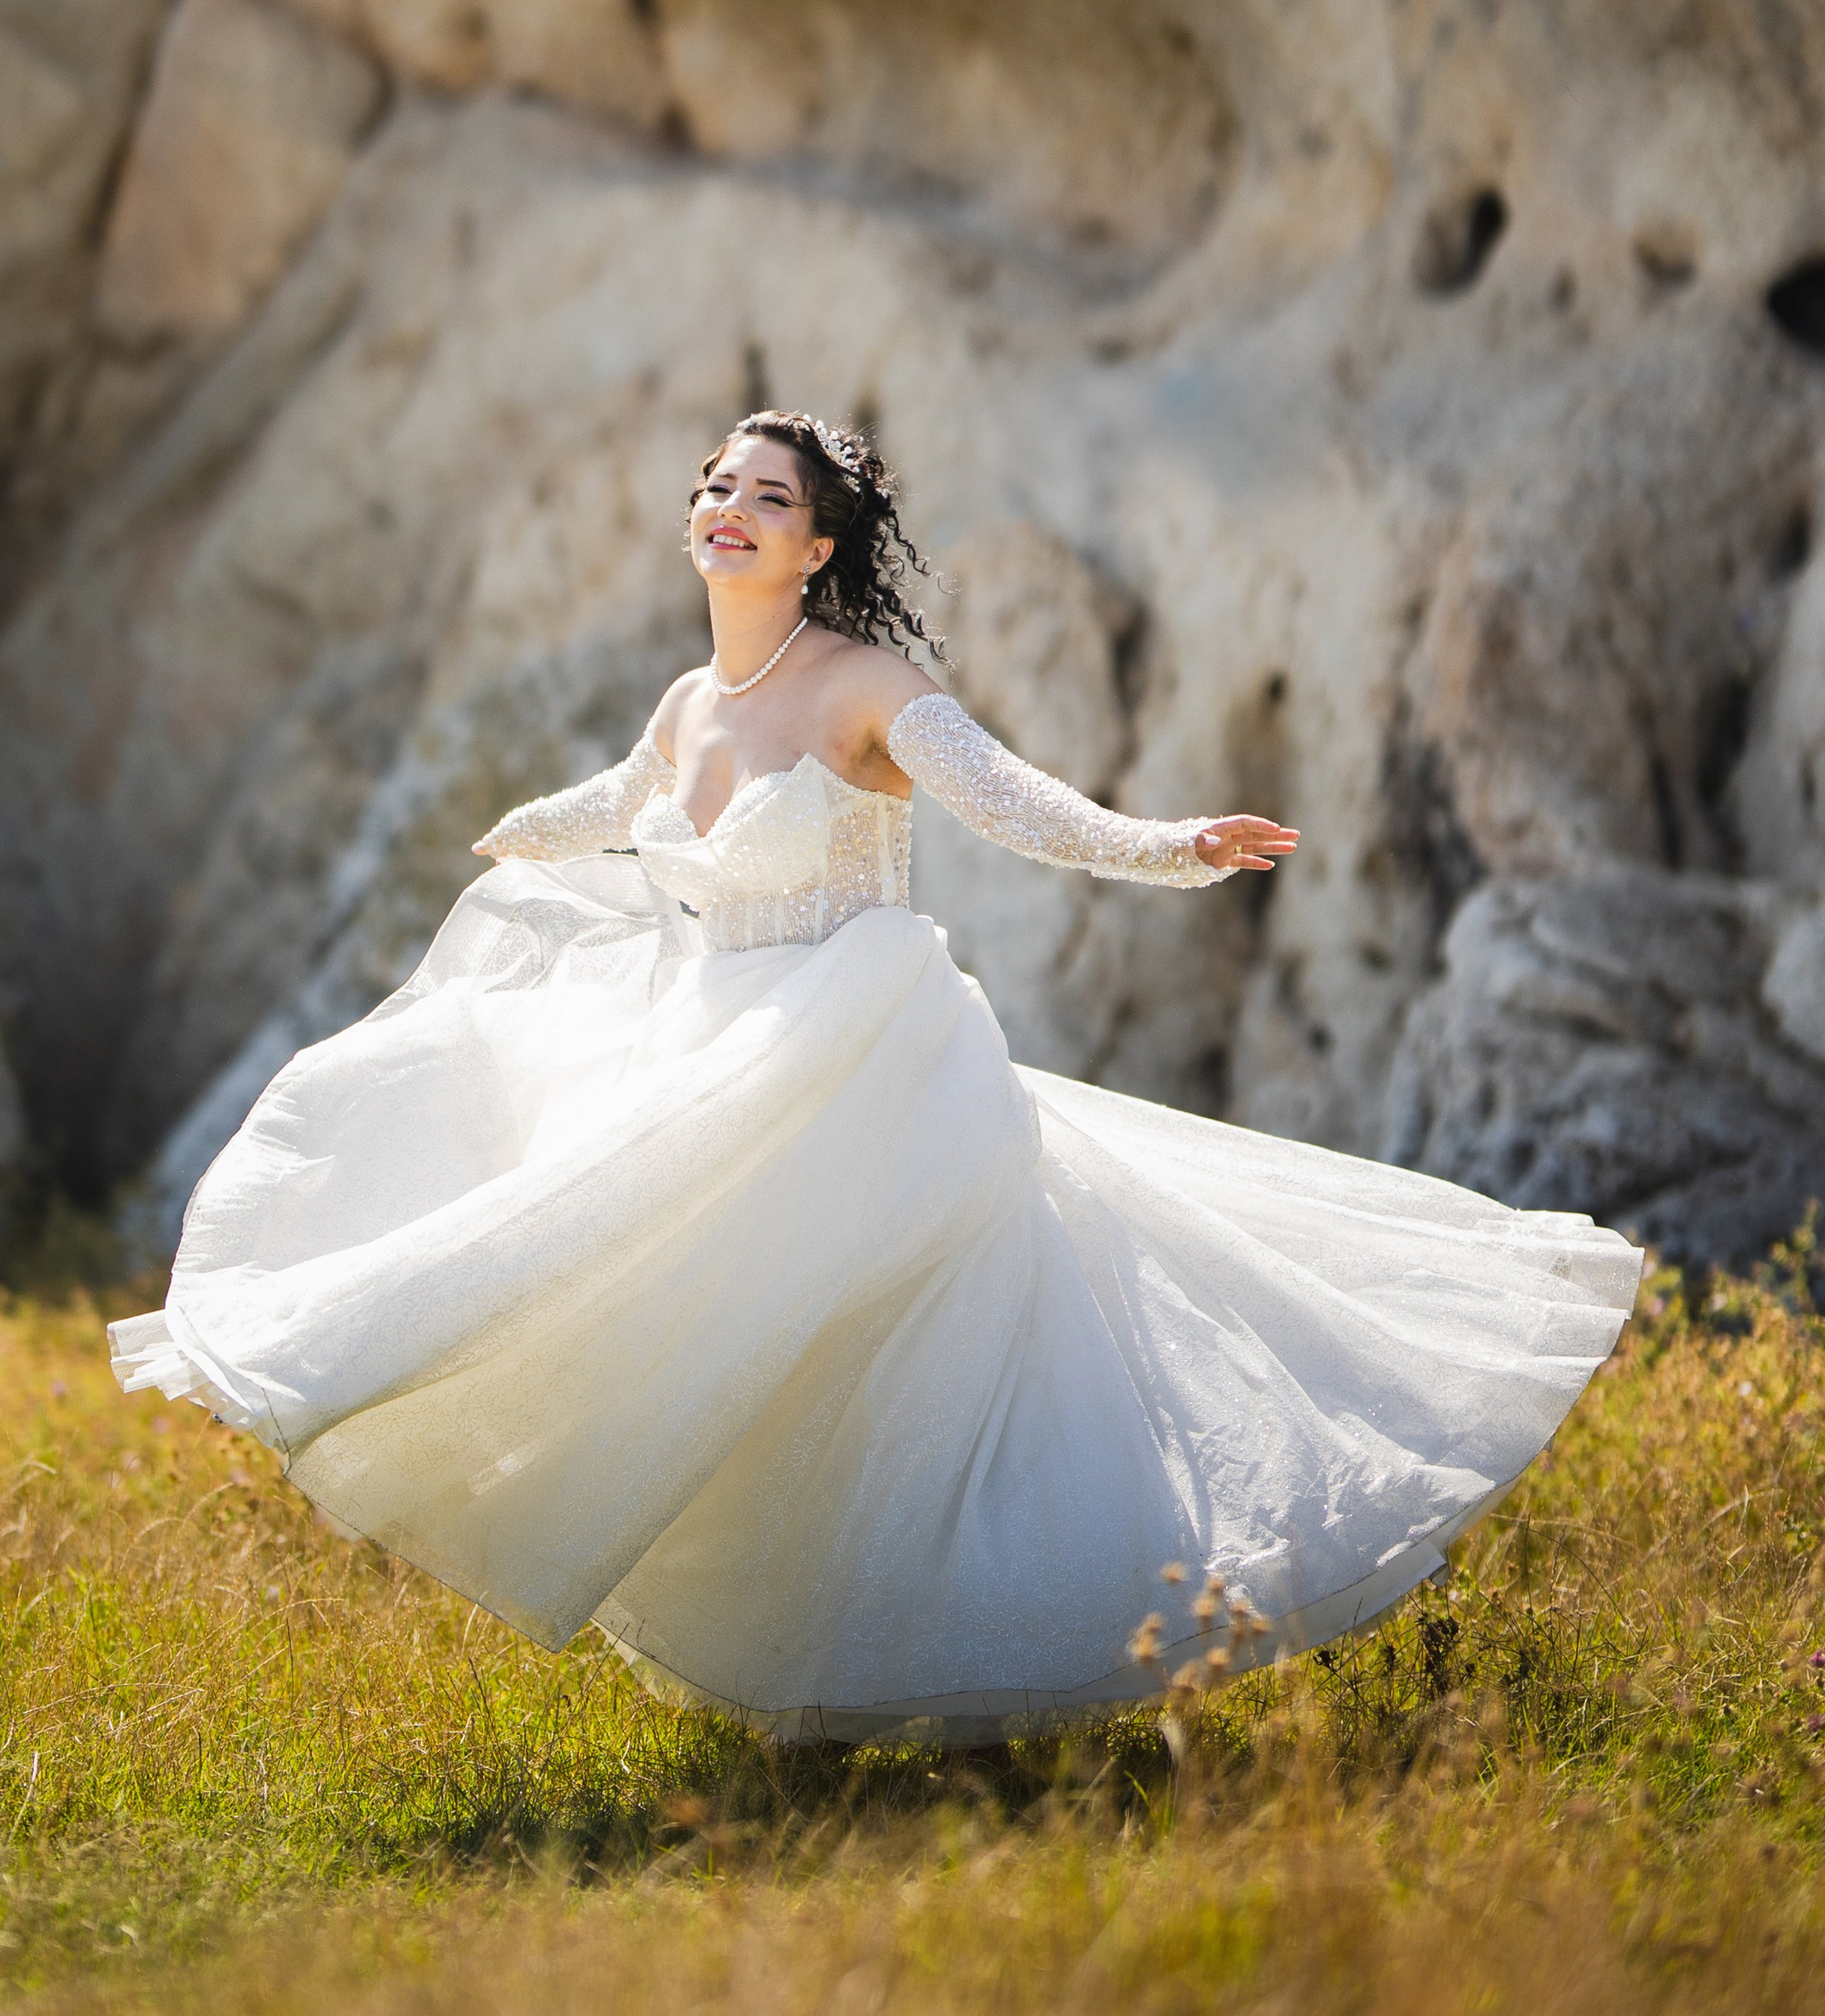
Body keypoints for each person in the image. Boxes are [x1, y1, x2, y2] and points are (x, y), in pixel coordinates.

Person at [112, 410, 1641, 1742]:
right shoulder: (690, 699)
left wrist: (1166, 846)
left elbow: (1014, 801)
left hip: (860, 1069)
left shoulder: (863, 685)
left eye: (767, 496)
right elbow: (632, 798)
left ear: (821, 538)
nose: (728, 506)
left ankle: (1009, 1658)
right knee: (697, 1345)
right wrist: (521, 830)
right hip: (708, 1066)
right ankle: (803, 1689)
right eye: (716, 484)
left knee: (921, 1369)